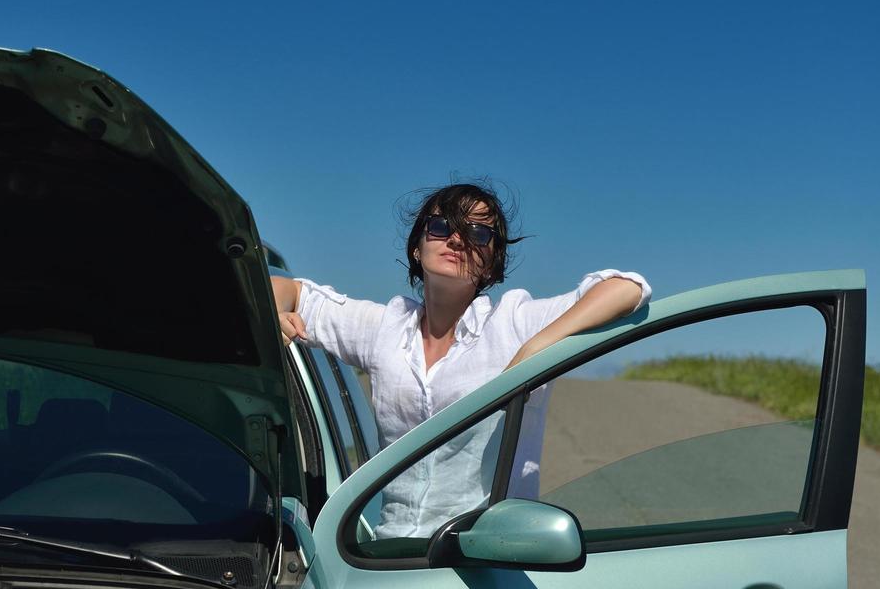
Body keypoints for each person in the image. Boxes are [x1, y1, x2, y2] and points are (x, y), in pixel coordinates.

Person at [271, 182, 650, 538]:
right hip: (386, 558)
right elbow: (285, 288)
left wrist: (535, 350)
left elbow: (627, 288)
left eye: (477, 233)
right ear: (417, 248)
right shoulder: (386, 327)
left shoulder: (514, 325)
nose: (456, 238)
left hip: (485, 558)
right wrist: (274, 312)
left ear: (491, 263)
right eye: (440, 226)